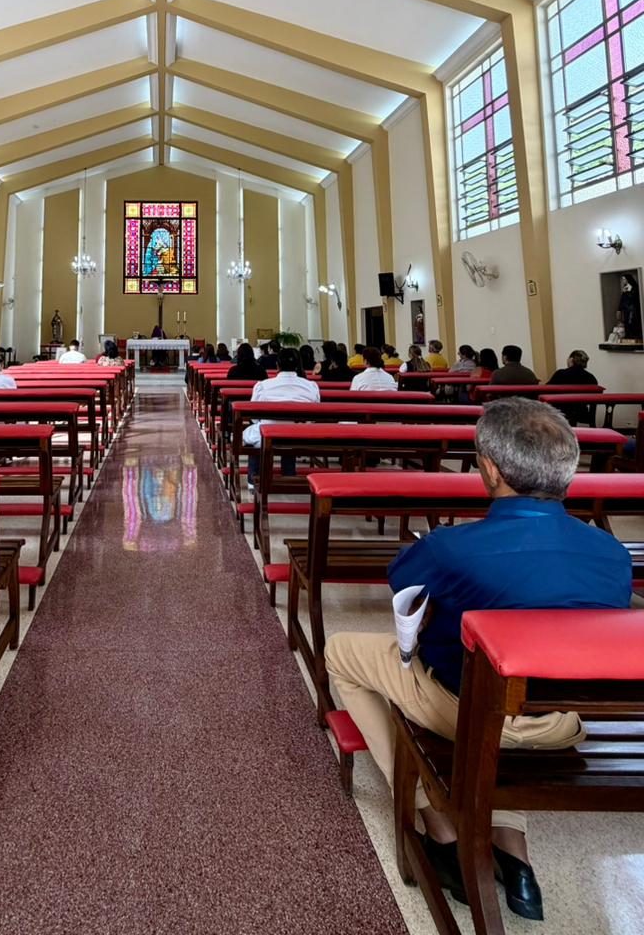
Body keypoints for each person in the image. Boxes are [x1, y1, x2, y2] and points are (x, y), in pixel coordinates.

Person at [325, 399, 631, 919]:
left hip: (467, 714)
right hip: (559, 722)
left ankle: (436, 822)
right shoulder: (611, 553)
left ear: (489, 469)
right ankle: (514, 854)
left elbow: (402, 580)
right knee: (517, 684)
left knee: (342, 653)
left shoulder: (453, 547)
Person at [242, 346, 319, 487]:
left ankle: (253, 478)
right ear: (297, 365)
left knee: (254, 434)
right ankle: (288, 475)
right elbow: (314, 416)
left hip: (269, 435)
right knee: (290, 433)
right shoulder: (311, 386)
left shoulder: (263, 386)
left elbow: (254, 416)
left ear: (277, 365)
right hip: (299, 436)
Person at [546, 350, 599, 425]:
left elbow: (547, 389)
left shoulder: (560, 374)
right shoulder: (591, 378)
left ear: (571, 359)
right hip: (581, 412)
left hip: (561, 412)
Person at [618, 274, 641, 340]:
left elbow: (635, 298)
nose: (623, 281)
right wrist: (619, 309)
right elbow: (622, 300)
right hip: (626, 310)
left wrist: (627, 292)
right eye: (622, 279)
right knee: (627, 324)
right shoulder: (625, 288)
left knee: (632, 323)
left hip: (633, 310)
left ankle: (634, 337)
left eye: (624, 279)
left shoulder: (634, 288)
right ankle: (628, 337)